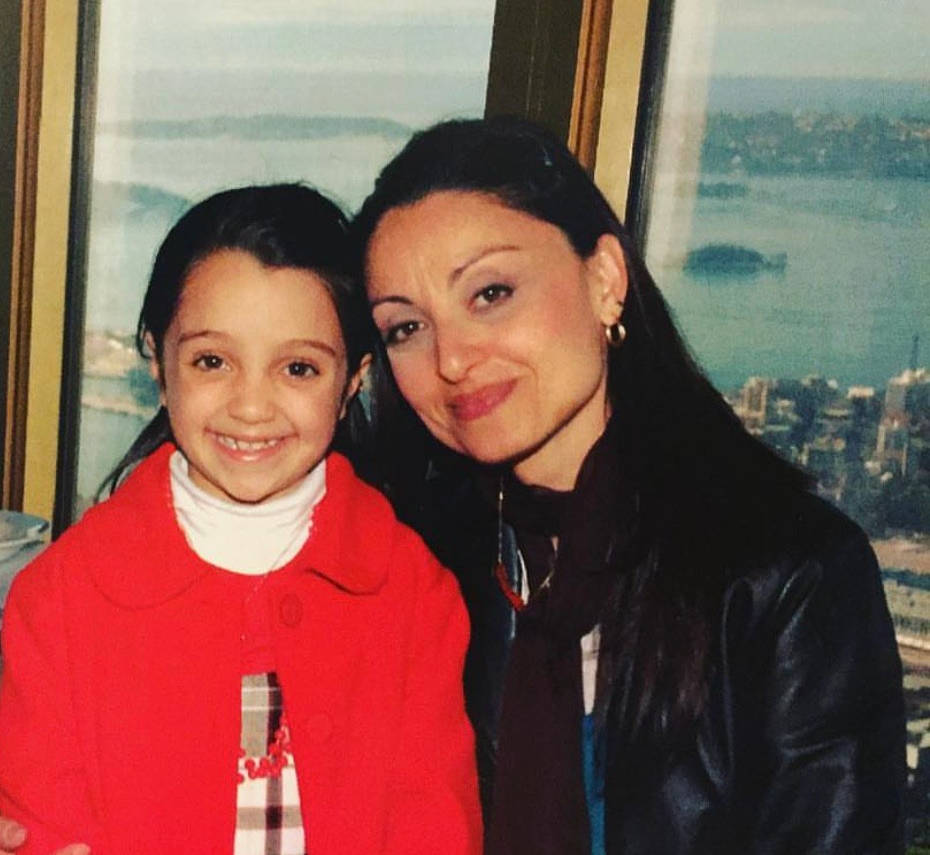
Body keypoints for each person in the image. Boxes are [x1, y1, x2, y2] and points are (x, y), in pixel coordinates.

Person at [351, 117, 906, 854]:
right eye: (405, 329)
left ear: (605, 280)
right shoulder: (425, 561)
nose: (451, 359)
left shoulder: (786, 578)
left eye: (490, 293)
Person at [0, 184, 482, 855]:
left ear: (353, 382)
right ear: (159, 365)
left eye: (299, 368)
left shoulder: (415, 594)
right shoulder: (61, 598)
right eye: (212, 361)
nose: (252, 407)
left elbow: (436, 835)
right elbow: (47, 824)